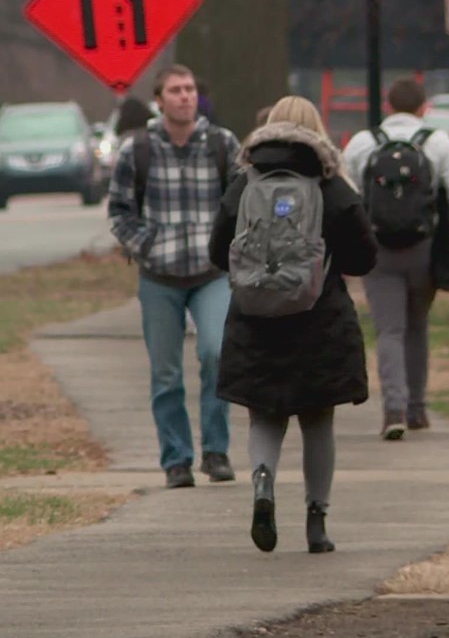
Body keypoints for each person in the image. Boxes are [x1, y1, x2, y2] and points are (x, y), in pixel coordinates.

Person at [209, 96, 377, 553]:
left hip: (255, 317)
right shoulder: (331, 186)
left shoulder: (245, 183)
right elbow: (364, 257)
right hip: (318, 319)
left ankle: (263, 487)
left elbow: (216, 249)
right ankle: (316, 521)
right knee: (318, 420)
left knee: (264, 414)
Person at [107, 64, 242, 489]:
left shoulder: (222, 144)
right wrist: (146, 244)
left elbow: (242, 203)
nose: (185, 96)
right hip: (159, 275)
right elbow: (119, 211)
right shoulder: (138, 149)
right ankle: (176, 459)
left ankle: (216, 451)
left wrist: (232, 247)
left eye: (190, 90)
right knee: (165, 372)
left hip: (211, 271)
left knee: (216, 353)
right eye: (176, 90)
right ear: (160, 99)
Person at [342, 78, 449, 440]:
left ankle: (393, 409)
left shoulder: (363, 142)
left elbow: (346, 190)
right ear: (423, 108)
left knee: (389, 329)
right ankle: (417, 408)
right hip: (423, 247)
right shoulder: (437, 143)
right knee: (417, 326)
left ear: (387, 106)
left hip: (378, 249)